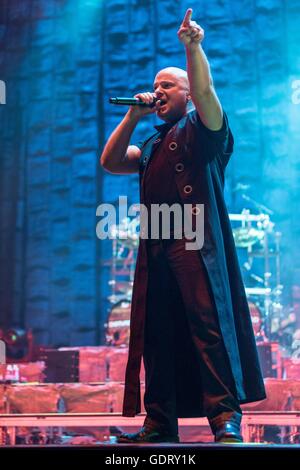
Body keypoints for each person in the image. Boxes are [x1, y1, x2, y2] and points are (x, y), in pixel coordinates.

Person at [100, 8, 266, 443]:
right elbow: (112, 161)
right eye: (155, 85)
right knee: (156, 333)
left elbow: (208, 92)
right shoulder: (151, 143)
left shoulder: (202, 129)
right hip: (156, 246)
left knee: (207, 329)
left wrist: (193, 48)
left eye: (167, 85)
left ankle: (224, 418)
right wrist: (133, 116)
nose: (157, 91)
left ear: (187, 95)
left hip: (195, 243)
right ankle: (158, 422)